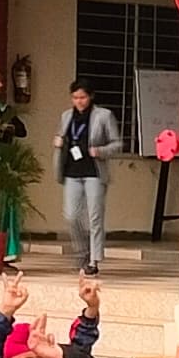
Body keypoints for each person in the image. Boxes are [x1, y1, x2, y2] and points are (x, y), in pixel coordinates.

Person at [57, 81, 120, 275]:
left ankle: (94, 260)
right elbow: (64, 139)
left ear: (90, 96)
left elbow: (117, 144)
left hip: (94, 172)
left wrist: (99, 151)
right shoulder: (66, 116)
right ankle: (82, 251)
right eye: (75, 98)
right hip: (72, 171)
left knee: (95, 217)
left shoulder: (104, 115)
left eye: (82, 97)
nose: (79, 101)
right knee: (71, 215)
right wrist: (59, 142)